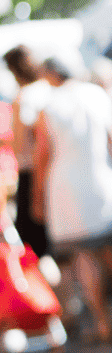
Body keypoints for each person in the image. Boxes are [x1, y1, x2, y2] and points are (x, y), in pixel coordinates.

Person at [32, 57, 112, 342]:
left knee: (83, 255)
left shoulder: (50, 106)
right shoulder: (97, 95)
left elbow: (43, 154)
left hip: (67, 186)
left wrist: (37, 195)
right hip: (102, 178)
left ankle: (102, 320)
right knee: (109, 250)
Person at [2, 45, 51, 260]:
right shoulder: (49, 90)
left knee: (34, 246)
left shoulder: (24, 97)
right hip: (52, 171)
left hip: (31, 172)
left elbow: (20, 144)